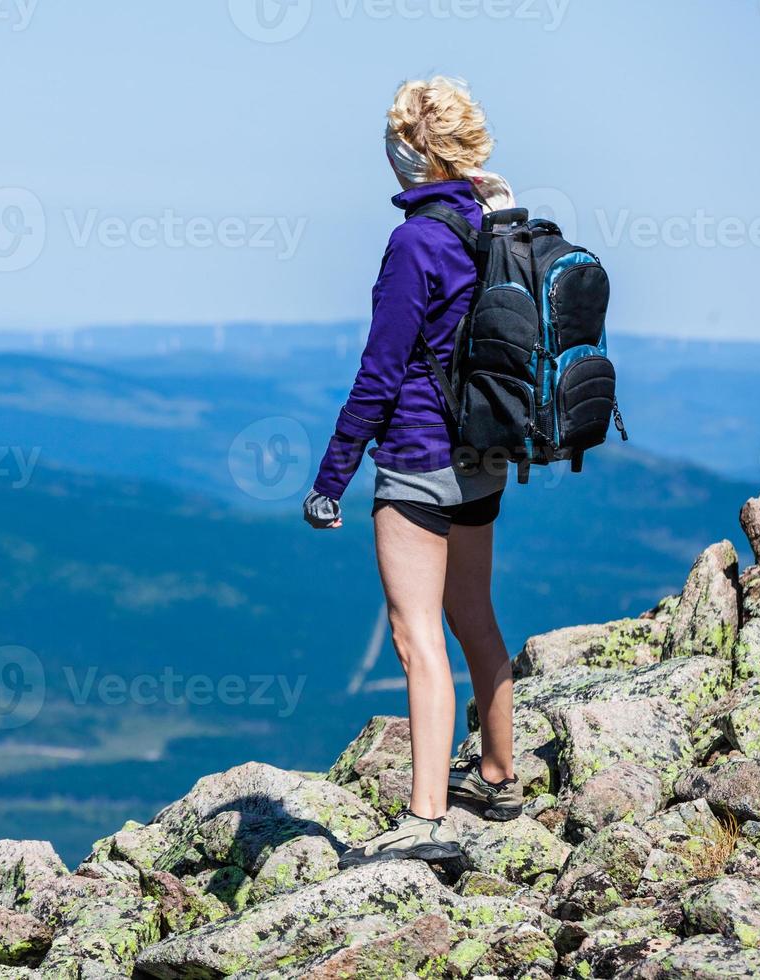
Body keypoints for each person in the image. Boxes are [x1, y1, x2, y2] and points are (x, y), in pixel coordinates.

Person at [305, 77, 522, 869]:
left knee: (415, 634)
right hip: (489, 451)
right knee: (474, 613)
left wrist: (331, 477)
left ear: (411, 151)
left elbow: (380, 372)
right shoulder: (500, 224)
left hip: (420, 457)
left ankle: (427, 822)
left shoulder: (415, 243)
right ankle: (499, 773)